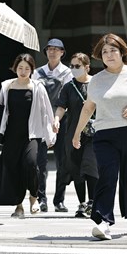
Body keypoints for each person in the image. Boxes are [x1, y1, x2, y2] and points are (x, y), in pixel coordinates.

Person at [72, 33, 127, 240]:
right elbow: (88, 109)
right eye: (104, 51)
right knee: (107, 176)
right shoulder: (96, 80)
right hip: (104, 135)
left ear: (122, 51)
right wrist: (77, 133)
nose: (109, 54)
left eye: (113, 50)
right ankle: (103, 222)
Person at [0, 53, 56, 218]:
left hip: (32, 134)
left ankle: (34, 197)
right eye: (20, 68)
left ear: (32, 70)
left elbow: (47, 111)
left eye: (27, 68)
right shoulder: (7, 86)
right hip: (11, 134)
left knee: (31, 164)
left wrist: (50, 133)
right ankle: (18, 206)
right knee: (13, 168)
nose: (23, 71)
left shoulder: (38, 87)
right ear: (15, 68)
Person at [52, 53, 99, 218]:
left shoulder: (96, 83)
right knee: (76, 168)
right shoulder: (68, 87)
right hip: (73, 133)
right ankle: (82, 203)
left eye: (77, 66)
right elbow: (61, 107)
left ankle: (93, 202)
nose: (73, 69)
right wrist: (57, 119)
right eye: (71, 66)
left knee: (90, 165)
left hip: (94, 133)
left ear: (87, 67)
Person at [31, 38, 73, 213]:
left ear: (63, 52)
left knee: (62, 162)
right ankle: (41, 199)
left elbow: (70, 99)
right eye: (50, 49)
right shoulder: (37, 73)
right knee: (40, 163)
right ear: (46, 51)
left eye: (57, 49)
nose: (53, 52)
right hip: (41, 120)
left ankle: (59, 200)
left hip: (62, 120)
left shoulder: (68, 73)